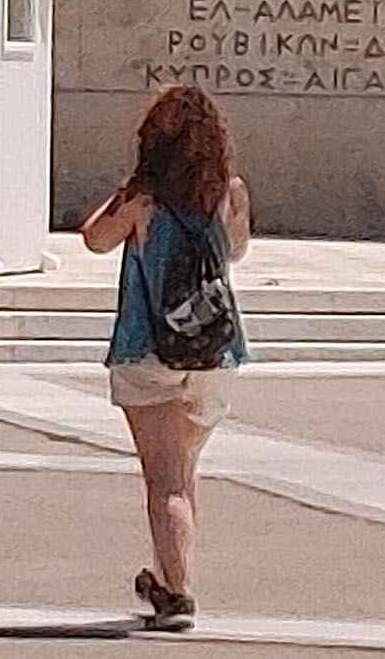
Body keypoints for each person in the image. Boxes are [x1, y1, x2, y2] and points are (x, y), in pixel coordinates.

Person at [79, 85, 251, 631]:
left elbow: (94, 238)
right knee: (183, 472)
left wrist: (127, 188)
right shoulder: (230, 191)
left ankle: (176, 595)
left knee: (165, 480)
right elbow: (237, 249)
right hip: (213, 355)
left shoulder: (143, 201)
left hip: (148, 352)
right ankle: (166, 576)